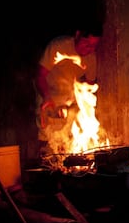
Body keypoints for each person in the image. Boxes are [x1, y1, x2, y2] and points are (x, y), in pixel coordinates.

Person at [34, 25, 102, 166]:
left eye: (94, 46)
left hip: (69, 101)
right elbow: (40, 75)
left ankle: (65, 173)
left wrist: (86, 112)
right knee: (46, 139)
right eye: (87, 44)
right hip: (47, 94)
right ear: (77, 35)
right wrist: (47, 97)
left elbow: (90, 88)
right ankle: (45, 173)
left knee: (68, 140)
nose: (90, 49)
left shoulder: (91, 58)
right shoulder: (59, 46)